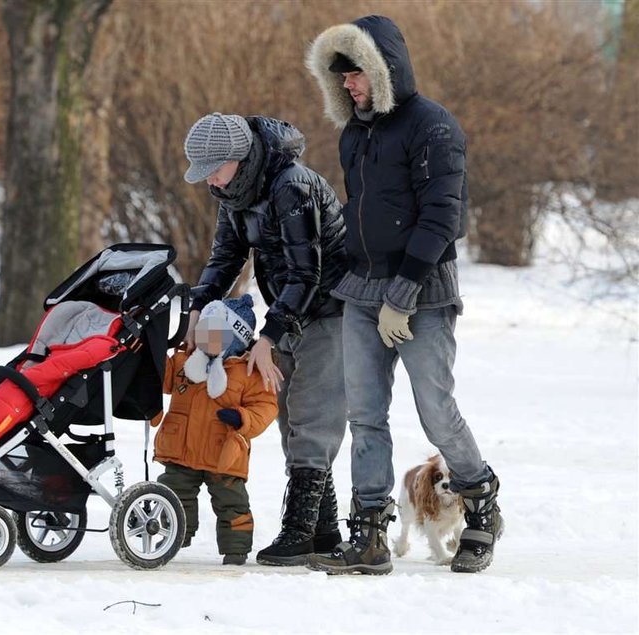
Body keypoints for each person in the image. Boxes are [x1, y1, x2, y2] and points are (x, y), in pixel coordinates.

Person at [304, 15, 503, 575]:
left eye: (356, 73)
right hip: (363, 290)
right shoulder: (354, 133)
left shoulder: (433, 126)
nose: (347, 85)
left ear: (383, 69)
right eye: (339, 76)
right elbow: (361, 215)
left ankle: (480, 503)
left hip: (423, 289)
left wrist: (406, 289)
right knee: (365, 414)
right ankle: (368, 531)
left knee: (436, 410)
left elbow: (444, 215)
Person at [182, 112, 348, 566]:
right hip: (289, 310)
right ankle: (325, 530)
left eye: (215, 168)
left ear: (240, 157)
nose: (210, 180)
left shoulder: (290, 185)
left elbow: (306, 271)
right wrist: (199, 304)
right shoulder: (233, 192)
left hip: (330, 308)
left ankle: (297, 531)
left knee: (313, 420)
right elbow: (226, 256)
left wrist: (268, 335)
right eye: (205, 174)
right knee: (288, 418)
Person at [153, 295, 277, 565]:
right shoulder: (184, 361)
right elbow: (159, 376)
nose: (206, 336)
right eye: (204, 329)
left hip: (224, 453)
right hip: (181, 449)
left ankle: (236, 551)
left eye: (215, 331)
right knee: (174, 493)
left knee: (231, 502)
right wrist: (156, 347)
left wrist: (242, 417)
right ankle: (173, 537)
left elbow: (266, 406)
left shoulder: (248, 372)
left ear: (234, 338)